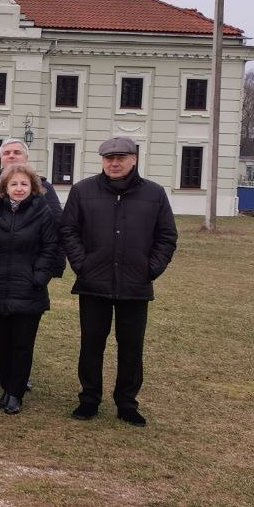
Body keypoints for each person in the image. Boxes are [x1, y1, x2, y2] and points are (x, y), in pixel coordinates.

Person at [58, 137, 177, 427]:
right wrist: (82, 264)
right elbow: (69, 230)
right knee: (91, 345)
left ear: (133, 159)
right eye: (108, 158)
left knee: (131, 346)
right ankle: (89, 399)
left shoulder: (154, 193)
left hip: (135, 285)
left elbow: (166, 236)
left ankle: (127, 403)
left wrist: (151, 269)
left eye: (120, 158)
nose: (114, 163)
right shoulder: (83, 191)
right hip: (94, 283)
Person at [0, 138, 62, 389]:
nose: (12, 155)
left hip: (28, 270)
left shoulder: (43, 187)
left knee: (23, 327)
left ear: (26, 157)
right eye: (7, 152)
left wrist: (45, 272)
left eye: (17, 152)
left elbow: (55, 227)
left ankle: (19, 375)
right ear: (1, 157)